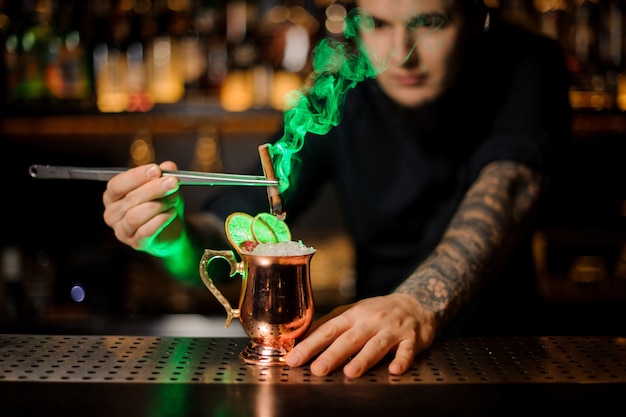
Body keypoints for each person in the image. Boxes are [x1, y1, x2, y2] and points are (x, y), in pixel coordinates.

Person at [102, 0, 572, 379]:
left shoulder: (527, 64)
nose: (400, 51)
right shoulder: (336, 97)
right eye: (379, 24)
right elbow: (235, 231)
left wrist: (417, 303)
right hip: (372, 362)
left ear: (471, 18)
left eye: (429, 23)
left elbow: (509, 188)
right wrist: (174, 240)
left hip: (502, 360)